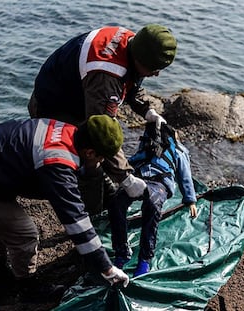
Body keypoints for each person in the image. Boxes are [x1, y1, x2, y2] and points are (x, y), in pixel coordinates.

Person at [0, 115, 129, 302]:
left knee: (1, 223)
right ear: (89, 153)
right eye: (101, 158)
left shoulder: (66, 130)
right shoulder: (57, 162)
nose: (101, 163)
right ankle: (28, 287)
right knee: (24, 234)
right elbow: (76, 222)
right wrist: (107, 268)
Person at [28, 24, 178, 209]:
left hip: (78, 96)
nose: (156, 74)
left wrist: (147, 111)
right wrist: (126, 178)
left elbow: (131, 80)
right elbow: (101, 133)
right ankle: (87, 212)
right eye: (153, 68)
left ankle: (103, 196)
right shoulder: (105, 74)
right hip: (53, 107)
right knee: (89, 156)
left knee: (100, 160)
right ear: (139, 58)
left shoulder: (133, 42)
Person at [107, 122, 198, 277]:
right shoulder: (146, 146)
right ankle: (122, 251)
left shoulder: (178, 150)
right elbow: (129, 162)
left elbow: (185, 175)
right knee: (116, 202)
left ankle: (144, 259)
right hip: (138, 179)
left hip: (159, 183)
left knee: (152, 205)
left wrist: (190, 200)